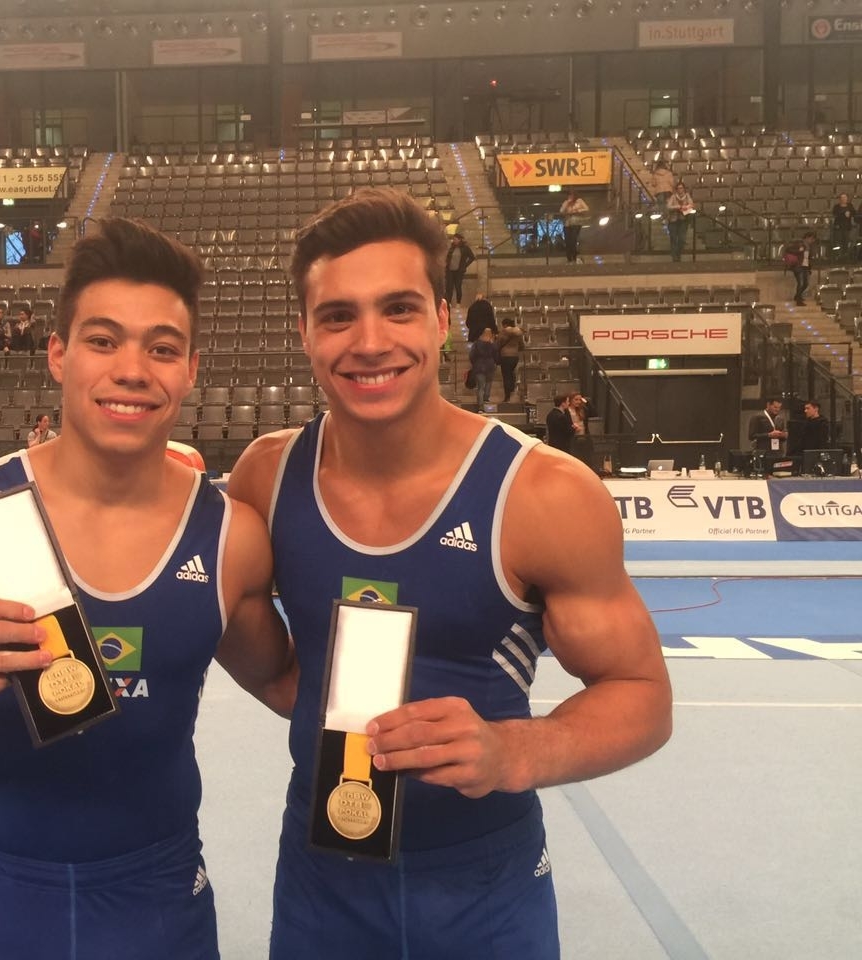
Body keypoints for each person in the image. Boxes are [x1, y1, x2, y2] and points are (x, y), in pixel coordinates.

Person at [0, 217, 294, 959]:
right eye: (103, 341)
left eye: (161, 348)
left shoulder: (231, 537)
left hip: (162, 902)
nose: (132, 370)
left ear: (190, 369)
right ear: (58, 354)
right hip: (6, 902)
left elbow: (283, 682)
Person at [225, 187, 671, 960]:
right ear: (305, 332)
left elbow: (642, 696)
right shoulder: (267, 477)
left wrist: (516, 750)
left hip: (485, 888)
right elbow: (264, 661)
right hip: (322, 881)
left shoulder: (544, 495)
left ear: (442, 319)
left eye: (398, 309)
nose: (370, 342)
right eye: (338, 316)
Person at [468, 323, 497, 412]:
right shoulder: (492, 344)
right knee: (488, 383)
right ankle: (486, 399)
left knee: (480, 387)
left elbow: (472, 355)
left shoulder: (477, 343)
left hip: (479, 366)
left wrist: (475, 363)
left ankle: (480, 406)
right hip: (490, 366)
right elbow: (496, 355)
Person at [665, 181, 695, 262]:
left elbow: (691, 205)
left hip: (683, 220)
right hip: (673, 220)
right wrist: (678, 207)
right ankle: (674, 256)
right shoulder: (673, 197)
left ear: (684, 189)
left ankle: (678, 253)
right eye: (678, 188)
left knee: (682, 238)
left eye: (681, 188)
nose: (680, 190)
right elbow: (668, 206)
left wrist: (685, 207)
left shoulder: (687, 196)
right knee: (673, 238)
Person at [496, 314, 523, 402]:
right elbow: (522, 345)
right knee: (511, 373)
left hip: (505, 356)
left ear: (505, 324)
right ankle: (512, 390)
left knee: (506, 376)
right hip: (515, 356)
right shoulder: (518, 333)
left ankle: (507, 396)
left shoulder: (503, 332)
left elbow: (498, 344)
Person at [443, 233, 474, 308]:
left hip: (459, 271)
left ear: (459, 240)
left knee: (458, 286)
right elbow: (447, 257)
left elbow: (472, 257)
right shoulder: (451, 248)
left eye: (455, 239)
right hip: (450, 270)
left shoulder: (465, 248)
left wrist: (465, 265)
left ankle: (458, 302)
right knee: (449, 287)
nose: (454, 240)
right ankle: (449, 302)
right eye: (453, 239)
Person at [559, 188, 589, 263]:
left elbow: (586, 208)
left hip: (576, 222)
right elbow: (561, 211)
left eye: (571, 195)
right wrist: (567, 203)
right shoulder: (566, 202)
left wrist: (578, 210)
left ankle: (574, 256)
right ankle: (569, 258)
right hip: (567, 223)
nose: (570, 196)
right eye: (569, 195)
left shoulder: (579, 201)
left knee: (573, 240)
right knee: (567, 241)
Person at [784, 233, 815, 306]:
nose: (812, 241)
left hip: (805, 266)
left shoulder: (808, 247)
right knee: (801, 283)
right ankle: (798, 300)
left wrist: (809, 268)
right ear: (807, 237)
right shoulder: (799, 243)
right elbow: (788, 249)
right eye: (811, 239)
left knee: (805, 283)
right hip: (798, 266)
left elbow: (807, 258)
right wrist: (799, 250)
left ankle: (797, 296)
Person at [829, 193, 855, 261]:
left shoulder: (850, 206)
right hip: (838, 227)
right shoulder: (836, 207)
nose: (844, 199)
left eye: (845, 197)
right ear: (839, 199)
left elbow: (854, 213)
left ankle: (846, 255)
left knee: (846, 241)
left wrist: (850, 214)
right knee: (838, 241)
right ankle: (838, 255)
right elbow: (835, 214)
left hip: (847, 227)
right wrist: (844, 214)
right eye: (842, 197)